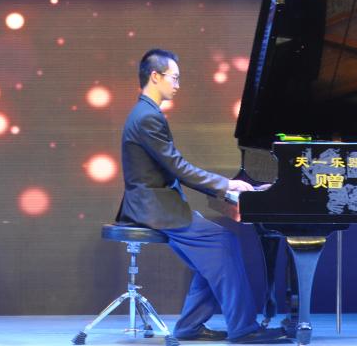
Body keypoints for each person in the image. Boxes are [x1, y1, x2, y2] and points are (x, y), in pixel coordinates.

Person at [117, 49, 286, 344]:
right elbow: (178, 168)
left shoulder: (145, 113)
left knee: (217, 251)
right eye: (174, 78)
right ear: (155, 76)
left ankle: (190, 326)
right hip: (154, 209)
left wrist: (226, 187)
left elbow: (174, 168)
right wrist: (228, 185)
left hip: (156, 206)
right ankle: (243, 328)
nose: (178, 84)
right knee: (222, 242)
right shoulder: (147, 117)